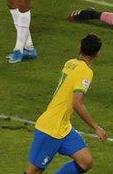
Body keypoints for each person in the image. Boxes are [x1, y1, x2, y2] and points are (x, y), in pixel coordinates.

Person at [24, 34, 108, 174]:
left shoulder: (70, 62)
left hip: (63, 127)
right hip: (50, 129)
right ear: (98, 53)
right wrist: (96, 127)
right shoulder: (86, 72)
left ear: (79, 48)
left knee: (86, 162)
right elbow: (77, 103)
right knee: (34, 171)